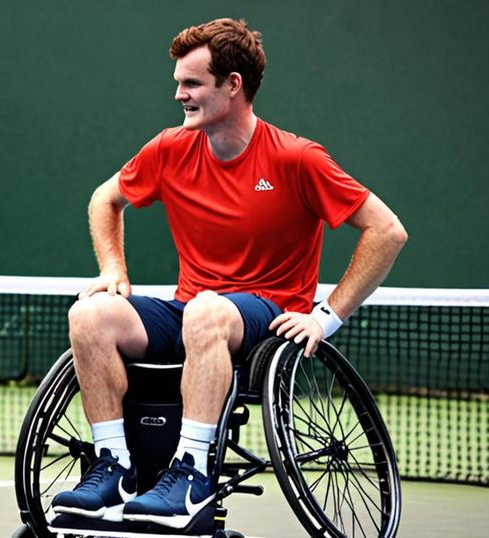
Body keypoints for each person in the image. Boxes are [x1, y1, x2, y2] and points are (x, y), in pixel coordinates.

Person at [51, 18, 407, 529]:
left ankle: (191, 477)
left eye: (191, 83)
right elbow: (105, 199)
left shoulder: (296, 158)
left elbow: (387, 230)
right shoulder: (170, 148)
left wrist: (326, 317)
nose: (179, 94)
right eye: (178, 82)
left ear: (233, 85)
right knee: (90, 316)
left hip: (266, 318)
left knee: (206, 310)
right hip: (193, 311)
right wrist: (113, 269)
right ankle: (115, 470)